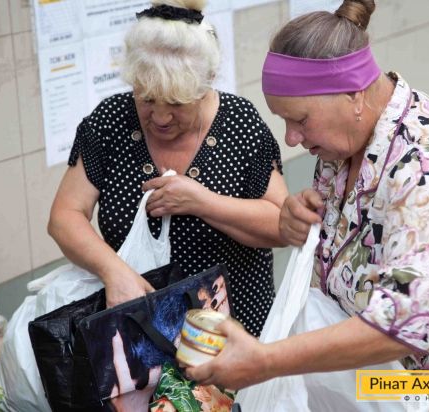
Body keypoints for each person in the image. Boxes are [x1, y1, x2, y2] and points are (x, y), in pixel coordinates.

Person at [187, 0, 429, 390]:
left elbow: (402, 326)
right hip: (372, 386)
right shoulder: (347, 144)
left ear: (353, 94)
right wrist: (297, 220)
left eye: (300, 120)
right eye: (284, 121)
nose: (291, 138)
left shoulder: (427, 169)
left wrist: (267, 361)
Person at [48, 0, 288, 339]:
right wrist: (114, 271)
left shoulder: (239, 123)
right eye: (146, 98)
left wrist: (201, 202)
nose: (160, 117)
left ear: (205, 85)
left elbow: (281, 225)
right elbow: (65, 216)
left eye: (176, 102)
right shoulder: (110, 121)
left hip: (236, 334)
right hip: (142, 337)